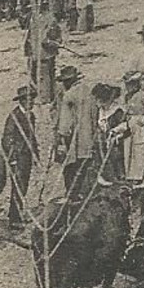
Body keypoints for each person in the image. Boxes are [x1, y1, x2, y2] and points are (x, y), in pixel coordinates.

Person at [53, 66, 100, 198]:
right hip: (89, 138)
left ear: (68, 81)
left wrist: (61, 140)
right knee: (84, 170)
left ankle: (71, 198)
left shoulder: (69, 95)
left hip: (75, 141)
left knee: (70, 170)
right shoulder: (89, 91)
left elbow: (65, 125)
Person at [0, 84, 39, 231]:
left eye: (32, 100)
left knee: (23, 187)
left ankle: (18, 215)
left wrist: (36, 154)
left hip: (27, 157)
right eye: (29, 100)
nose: (32, 103)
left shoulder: (31, 116)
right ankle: (14, 219)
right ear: (22, 101)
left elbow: (32, 137)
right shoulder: (14, 117)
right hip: (17, 158)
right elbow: (7, 139)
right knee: (17, 187)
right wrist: (13, 158)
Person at [121, 70, 144, 181]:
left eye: (131, 84)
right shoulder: (128, 97)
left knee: (140, 151)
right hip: (130, 125)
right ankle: (131, 177)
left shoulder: (142, 96)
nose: (128, 87)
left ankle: (142, 176)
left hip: (140, 126)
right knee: (129, 151)